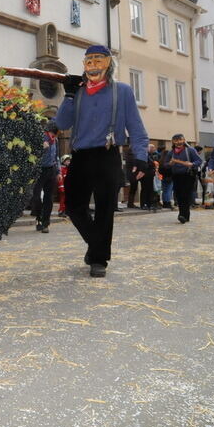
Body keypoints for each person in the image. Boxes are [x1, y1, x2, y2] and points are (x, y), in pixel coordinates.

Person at [56, 45, 149, 278]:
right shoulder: (76, 92)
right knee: (74, 207)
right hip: (80, 156)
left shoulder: (123, 91)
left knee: (105, 210)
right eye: (89, 61)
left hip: (107, 155)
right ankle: (96, 246)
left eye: (99, 60)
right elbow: (62, 123)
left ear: (109, 64)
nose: (93, 65)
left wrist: (141, 156)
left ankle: (99, 260)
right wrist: (67, 96)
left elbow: (136, 129)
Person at [161, 133, 202, 224]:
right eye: (176, 140)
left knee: (185, 195)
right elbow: (165, 165)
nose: (178, 142)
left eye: (180, 140)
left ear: (184, 140)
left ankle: (183, 215)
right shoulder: (171, 152)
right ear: (173, 142)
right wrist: (169, 164)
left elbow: (199, 160)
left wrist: (192, 164)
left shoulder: (190, 150)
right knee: (179, 196)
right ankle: (182, 214)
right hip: (176, 176)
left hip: (188, 175)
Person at [33, 120, 62, 233]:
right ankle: (39, 217)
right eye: (52, 135)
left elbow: (57, 157)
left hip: (51, 170)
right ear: (48, 132)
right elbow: (32, 155)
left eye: (55, 135)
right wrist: (41, 149)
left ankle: (45, 223)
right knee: (36, 197)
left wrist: (59, 172)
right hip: (39, 171)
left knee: (49, 198)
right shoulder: (40, 139)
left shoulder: (56, 141)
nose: (53, 137)